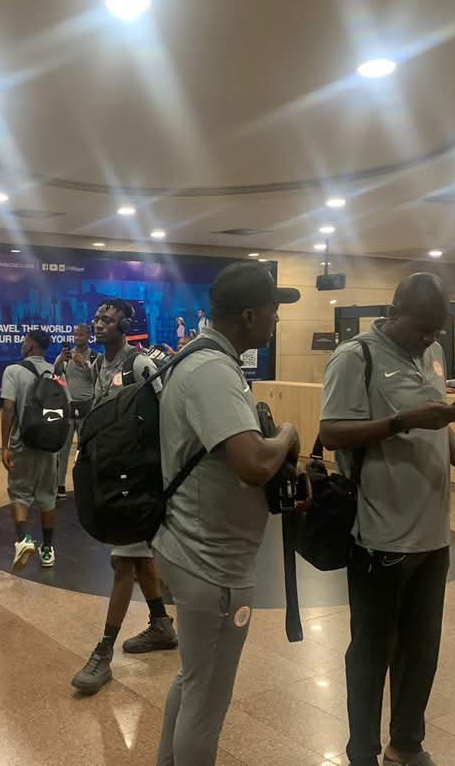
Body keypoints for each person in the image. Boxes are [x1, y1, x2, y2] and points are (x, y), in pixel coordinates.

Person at [320, 273, 455, 766]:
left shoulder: (432, 353)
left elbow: (437, 426)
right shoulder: (356, 357)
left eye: (437, 329)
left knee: (421, 649)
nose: (430, 338)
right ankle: (361, 752)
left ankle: (406, 744)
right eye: (422, 328)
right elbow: (331, 432)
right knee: (372, 651)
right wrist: (401, 421)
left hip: (433, 535)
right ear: (394, 312)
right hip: (380, 534)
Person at [151, 264, 300, 765]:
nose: (277, 320)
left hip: (195, 548)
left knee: (194, 679)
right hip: (211, 563)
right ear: (250, 315)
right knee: (208, 699)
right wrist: (288, 435)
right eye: (274, 311)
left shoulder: (203, 360)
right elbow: (254, 464)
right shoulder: (212, 371)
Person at [71, 300, 178, 696]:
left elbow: (167, 419)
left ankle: (103, 652)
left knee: (122, 562)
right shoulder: (100, 365)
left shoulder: (141, 365)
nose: (99, 324)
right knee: (138, 556)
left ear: (125, 325)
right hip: (111, 473)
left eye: (107, 319)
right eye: (97, 318)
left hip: (139, 480)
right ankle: (161, 624)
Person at [0, 328, 62, 569]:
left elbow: (8, 409)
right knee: (48, 496)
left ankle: (23, 539)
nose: (22, 345)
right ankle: (48, 549)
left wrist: (4, 445)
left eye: (25, 341)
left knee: (19, 492)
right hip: (49, 443)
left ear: (31, 345)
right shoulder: (54, 372)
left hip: (23, 441)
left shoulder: (13, 371)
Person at [53, 323, 96, 497]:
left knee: (86, 449)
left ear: (88, 337)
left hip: (87, 407)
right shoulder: (66, 356)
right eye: (75, 335)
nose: (77, 338)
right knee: (62, 449)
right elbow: (56, 379)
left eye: (80, 335)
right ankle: (59, 485)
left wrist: (84, 364)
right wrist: (58, 362)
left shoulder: (95, 356)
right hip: (68, 408)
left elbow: (97, 380)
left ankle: (86, 484)